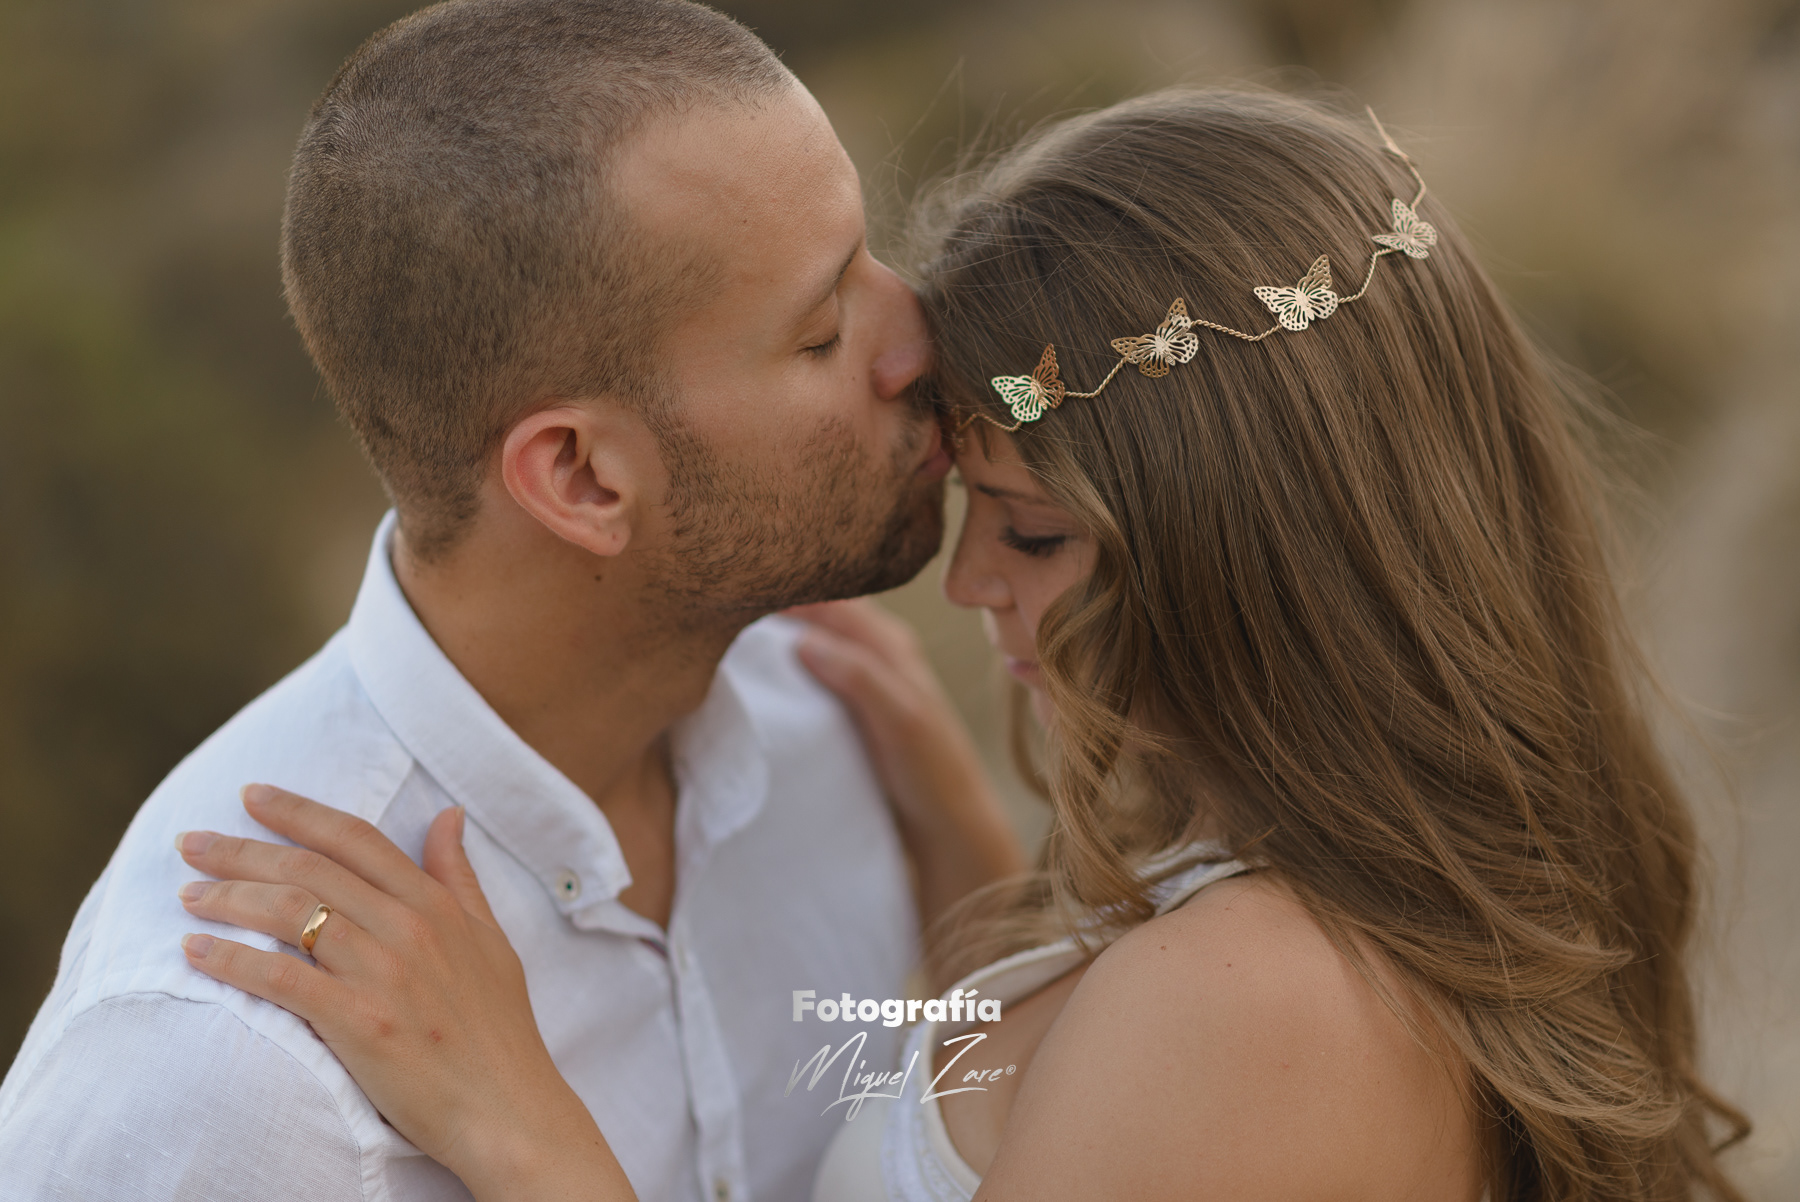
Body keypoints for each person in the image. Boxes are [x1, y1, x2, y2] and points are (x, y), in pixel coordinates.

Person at [159, 89, 1748, 1202]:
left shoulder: (1259, 995)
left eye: (1037, 533)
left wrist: (519, 1127)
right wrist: (967, 881)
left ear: (1256, 554)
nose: (973, 580)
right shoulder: (1353, 899)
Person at [0, 2, 1029, 1200]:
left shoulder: (844, 730)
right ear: (582, 477)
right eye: (820, 331)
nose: (914, 337)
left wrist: (988, 907)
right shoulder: (225, 1068)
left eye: (867, 252)